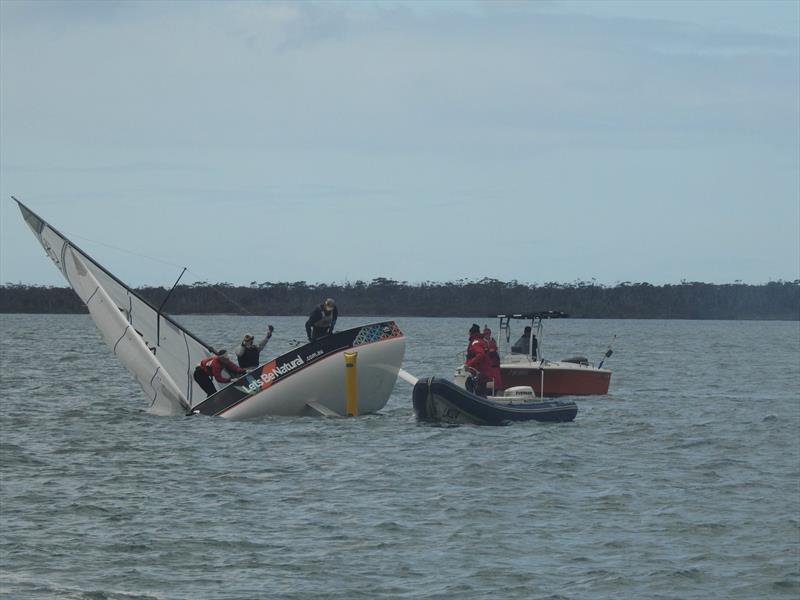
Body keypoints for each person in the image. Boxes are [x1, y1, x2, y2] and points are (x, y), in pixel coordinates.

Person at [465, 323, 494, 396]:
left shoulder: (475, 342)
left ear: (472, 333)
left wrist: (469, 364)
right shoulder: (481, 341)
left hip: (480, 373)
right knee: (479, 390)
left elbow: (481, 354)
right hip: (483, 372)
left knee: (472, 386)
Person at [483, 325, 503, 393]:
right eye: (486, 334)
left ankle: (496, 391)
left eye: (488, 333)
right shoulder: (482, 342)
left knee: (497, 381)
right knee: (488, 380)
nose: (487, 335)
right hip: (488, 364)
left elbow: (495, 349)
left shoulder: (493, 340)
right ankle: (488, 392)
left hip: (495, 364)